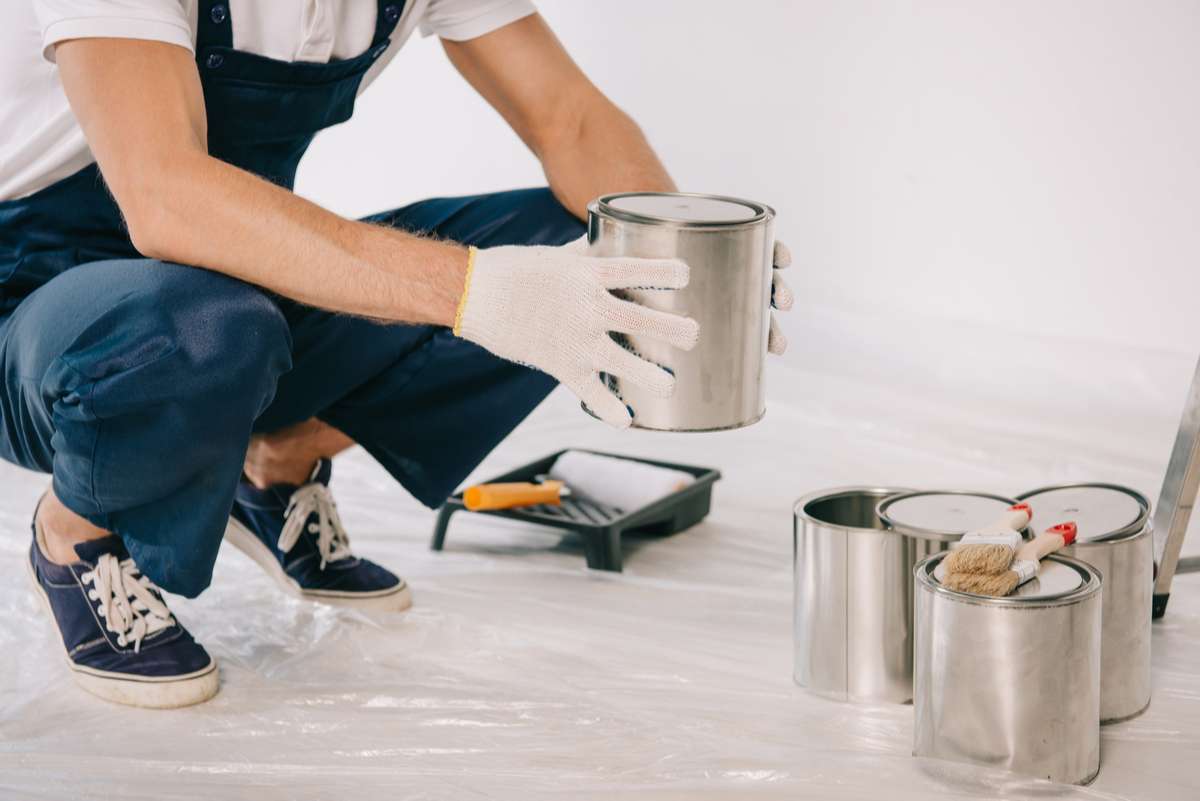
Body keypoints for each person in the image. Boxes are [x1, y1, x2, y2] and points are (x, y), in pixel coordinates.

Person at [0, 0, 793, 709]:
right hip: (39, 305)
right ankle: (77, 531)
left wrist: (678, 271)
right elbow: (165, 194)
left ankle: (273, 461)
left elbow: (570, 119)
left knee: (580, 249)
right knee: (205, 330)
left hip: (227, 287)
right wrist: (481, 292)